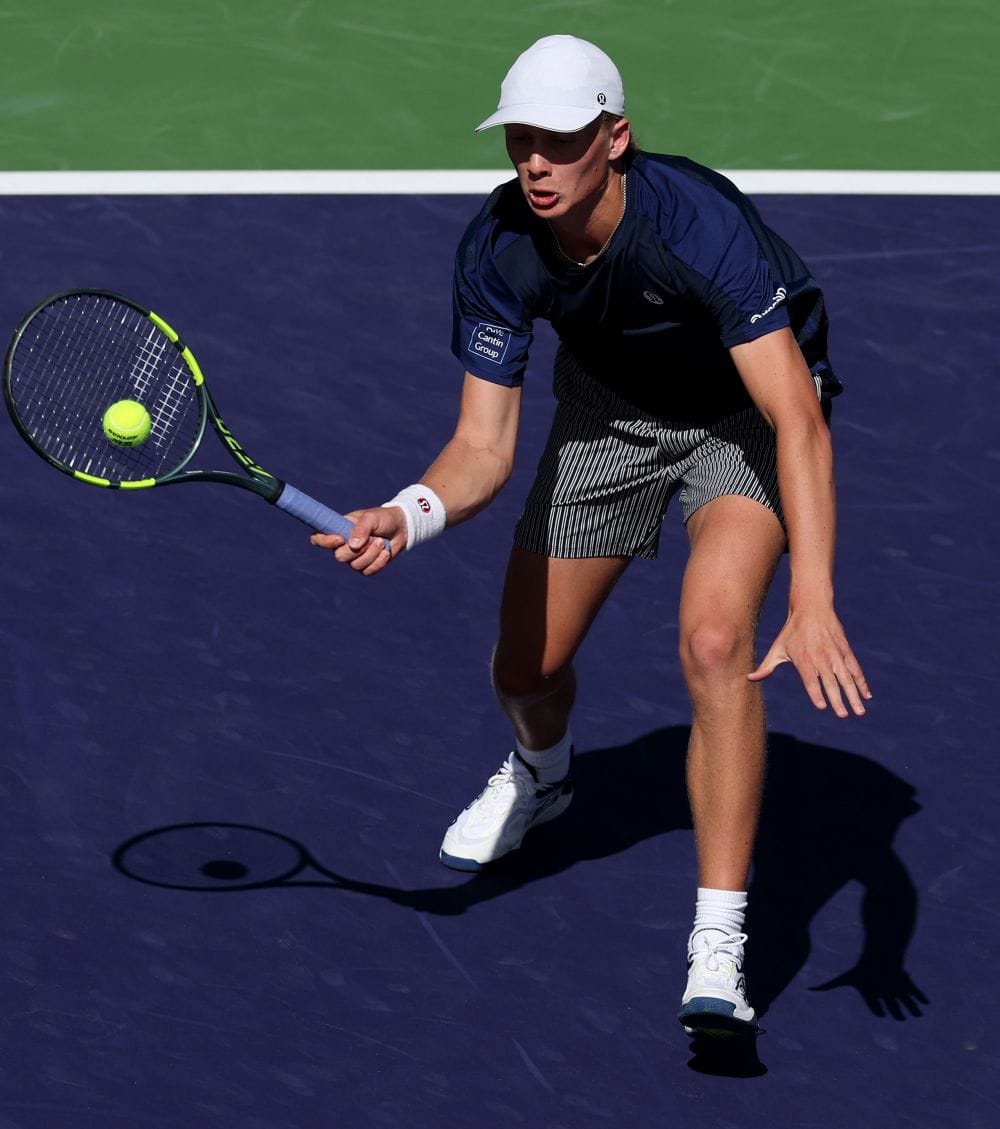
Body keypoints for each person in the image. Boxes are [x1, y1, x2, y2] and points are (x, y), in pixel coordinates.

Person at [312, 33, 871, 1036]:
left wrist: (816, 595)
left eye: (559, 141)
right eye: (521, 138)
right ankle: (543, 774)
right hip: (610, 415)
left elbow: (797, 420)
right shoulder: (498, 249)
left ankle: (718, 940)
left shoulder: (697, 227)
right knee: (523, 672)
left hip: (741, 420)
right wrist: (408, 513)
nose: (534, 160)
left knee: (712, 641)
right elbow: (481, 450)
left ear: (615, 139)